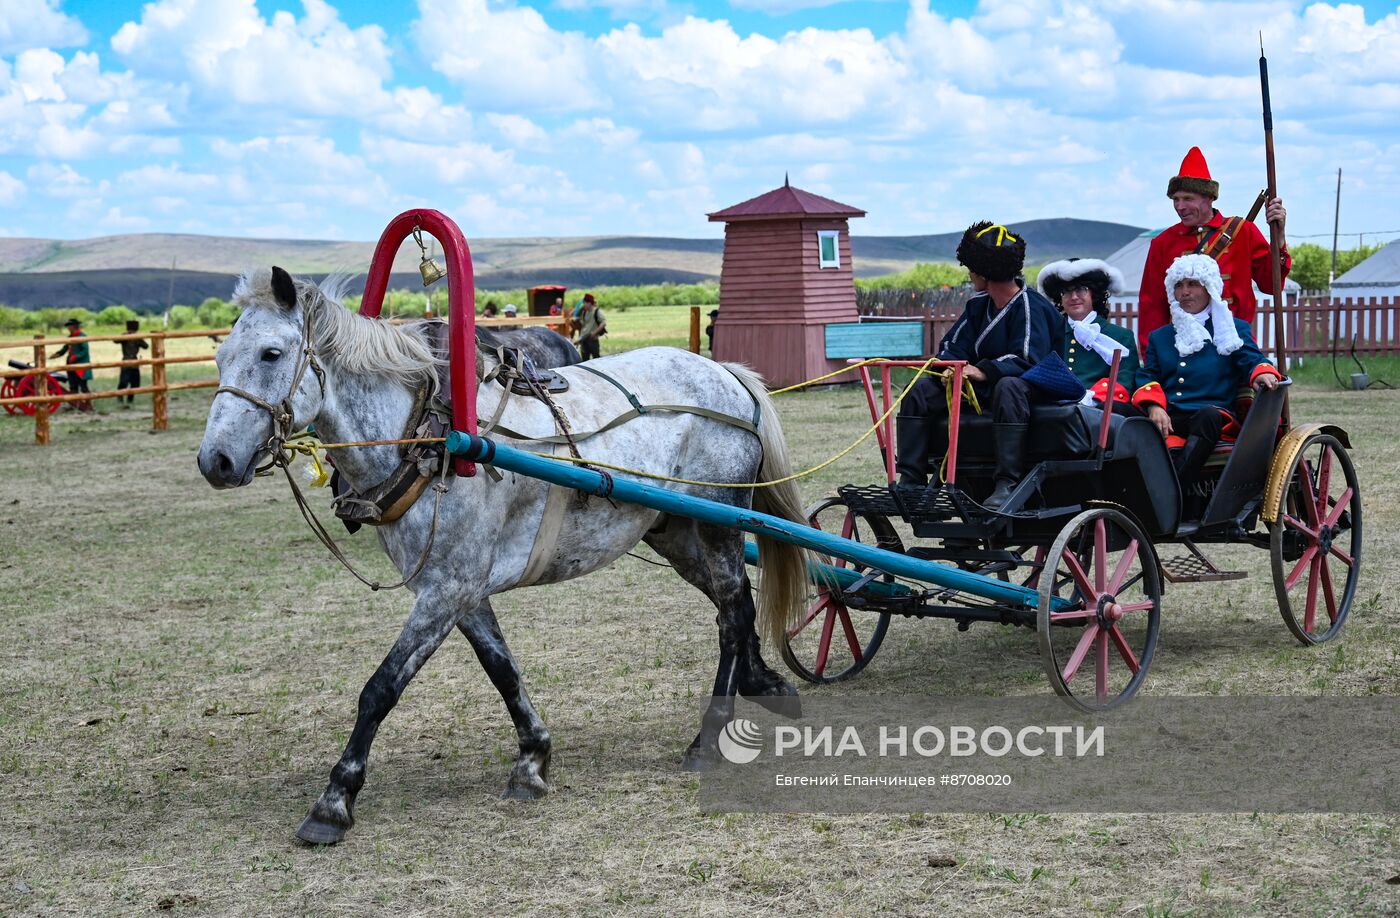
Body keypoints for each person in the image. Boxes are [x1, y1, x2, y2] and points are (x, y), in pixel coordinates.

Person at [895, 222, 1065, 509]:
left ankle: (1008, 482)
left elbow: (1026, 359)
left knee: (1009, 385)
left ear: (984, 271)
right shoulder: (977, 306)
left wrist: (982, 370)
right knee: (921, 390)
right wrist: (949, 367)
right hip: (982, 391)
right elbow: (952, 347)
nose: (969, 273)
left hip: (1029, 393)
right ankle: (911, 481)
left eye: (971, 267)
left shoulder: (1032, 307)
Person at [1131, 254, 1281, 511]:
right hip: (1171, 416)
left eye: (1193, 284)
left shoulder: (1232, 328)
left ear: (1209, 288)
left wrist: (1261, 373)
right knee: (1121, 416)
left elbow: (1251, 359)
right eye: (1179, 285)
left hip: (1213, 418)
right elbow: (1148, 375)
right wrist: (1154, 406)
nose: (1185, 292)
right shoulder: (1161, 336)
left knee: (1207, 416)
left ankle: (1171, 492)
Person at [1137, 146, 1291, 353]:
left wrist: (1279, 237)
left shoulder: (1243, 232)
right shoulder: (1163, 243)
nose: (1180, 206)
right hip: (1182, 350)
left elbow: (1272, 285)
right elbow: (1152, 307)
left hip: (1235, 346)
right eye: (1176, 199)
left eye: (1188, 198)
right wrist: (1153, 359)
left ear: (1208, 198)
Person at [1037, 258, 1140, 413]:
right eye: (1066, 291)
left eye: (1081, 289)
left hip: (1099, 411)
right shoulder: (1050, 334)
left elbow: (1124, 381)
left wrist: (1091, 399)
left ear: (1094, 294)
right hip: (1054, 409)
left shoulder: (1121, 336)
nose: (1073, 297)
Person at [51, 318, 93, 412]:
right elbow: (65, 349)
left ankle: (89, 405)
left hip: (81, 366)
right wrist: (56, 355)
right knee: (73, 386)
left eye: (69, 326)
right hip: (71, 365)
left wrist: (75, 357)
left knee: (83, 387)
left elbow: (85, 350)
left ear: (74, 326)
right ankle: (75, 404)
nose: (68, 328)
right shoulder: (70, 337)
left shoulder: (82, 336)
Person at [117, 319, 148, 407]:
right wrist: (124, 335)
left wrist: (138, 337)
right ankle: (120, 398)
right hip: (127, 361)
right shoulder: (124, 337)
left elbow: (146, 346)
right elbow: (115, 340)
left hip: (134, 361)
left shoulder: (137, 338)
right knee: (124, 382)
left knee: (134, 384)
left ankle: (130, 399)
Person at [575, 294, 606, 360]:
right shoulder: (584, 312)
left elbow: (603, 323)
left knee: (596, 359)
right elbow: (583, 326)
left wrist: (594, 333)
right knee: (585, 360)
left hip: (593, 340)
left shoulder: (597, 311)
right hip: (584, 340)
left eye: (585, 303)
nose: (584, 305)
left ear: (589, 303)